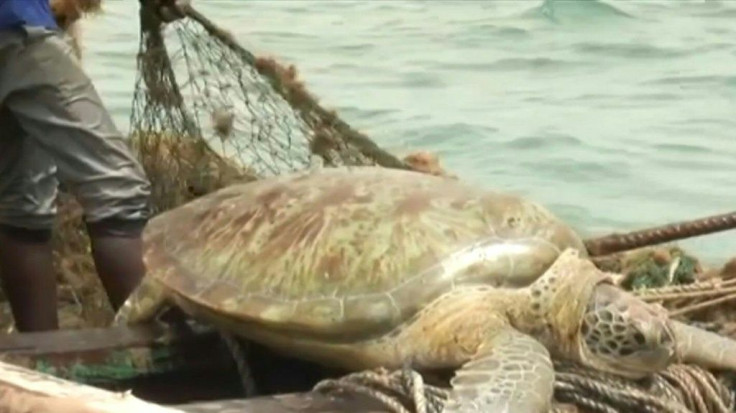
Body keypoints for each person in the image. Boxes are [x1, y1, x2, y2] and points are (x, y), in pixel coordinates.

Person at [0, 0, 181, 332]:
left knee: (22, 205)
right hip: (15, 29)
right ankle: (159, 347)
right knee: (118, 191)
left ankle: (42, 356)